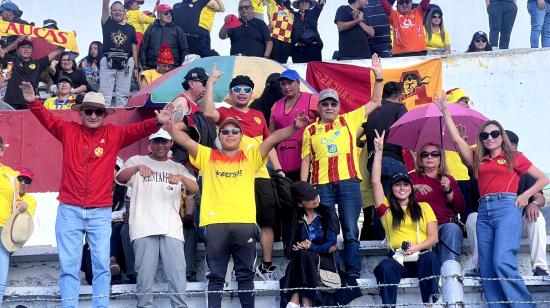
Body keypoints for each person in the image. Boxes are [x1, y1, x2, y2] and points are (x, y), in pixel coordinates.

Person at [21, 80, 173, 307]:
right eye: (89, 111)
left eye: (98, 112)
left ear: (105, 115)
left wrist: (156, 123)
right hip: (69, 210)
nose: (93, 115)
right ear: (81, 113)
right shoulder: (67, 130)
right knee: (69, 266)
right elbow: (47, 119)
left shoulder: (115, 134)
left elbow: (138, 129)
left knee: (102, 265)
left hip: (100, 212)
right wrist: (34, 102)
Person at [166, 110, 309, 308]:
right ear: (219, 136)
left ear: (242, 137)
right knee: (215, 277)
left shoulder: (250, 156)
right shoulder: (208, 155)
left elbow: (273, 138)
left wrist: (294, 127)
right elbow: (186, 141)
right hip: (215, 225)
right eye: (225, 131)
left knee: (245, 276)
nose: (230, 134)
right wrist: (170, 126)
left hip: (244, 224)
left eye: (235, 131)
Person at [435, 93, 549, 307]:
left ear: (502, 135)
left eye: (494, 133)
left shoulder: (514, 156)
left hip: (507, 207)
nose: (490, 138)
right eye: (485, 135)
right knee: (487, 266)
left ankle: (524, 305)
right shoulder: (480, 160)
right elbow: (459, 141)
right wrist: (445, 112)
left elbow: (542, 178)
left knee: (502, 261)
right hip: (485, 210)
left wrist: (524, 196)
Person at [300, 54, 384, 279]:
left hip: (348, 182)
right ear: (319, 107)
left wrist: (378, 77)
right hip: (321, 185)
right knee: (328, 232)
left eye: (333, 103)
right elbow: (306, 160)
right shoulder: (310, 130)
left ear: (338, 107)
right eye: (325, 103)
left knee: (350, 229)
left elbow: (375, 102)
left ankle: (353, 274)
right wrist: (302, 188)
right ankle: (331, 272)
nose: (329, 107)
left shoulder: (349, 119)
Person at [202, 70, 283, 280]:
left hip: (261, 174)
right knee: (237, 221)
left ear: (251, 93)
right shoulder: (226, 113)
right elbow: (209, 113)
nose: (242, 93)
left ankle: (265, 266)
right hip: (235, 175)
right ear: (231, 92)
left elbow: (270, 144)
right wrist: (211, 83)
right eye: (237, 89)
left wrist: (279, 169)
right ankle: (231, 267)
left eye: (246, 89)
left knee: (267, 221)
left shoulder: (258, 116)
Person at [117, 128, 198, 307]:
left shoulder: (178, 167)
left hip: (172, 229)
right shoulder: (137, 160)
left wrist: (183, 179)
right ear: (150, 143)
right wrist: (137, 168)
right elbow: (121, 178)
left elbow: (195, 189)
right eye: (157, 141)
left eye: (164, 141)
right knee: (144, 279)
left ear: (171, 143)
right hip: (143, 228)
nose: (160, 145)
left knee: (177, 277)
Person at [465, 130, 549, 277]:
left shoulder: (523, 167)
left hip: (519, 220)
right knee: (472, 218)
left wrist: (534, 203)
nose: (511, 150)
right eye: (507, 146)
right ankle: (478, 266)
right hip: (491, 222)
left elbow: (540, 197)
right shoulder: (486, 167)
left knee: (538, 219)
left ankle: (540, 268)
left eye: (514, 146)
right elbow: (468, 161)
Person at [371, 130, 440, 306]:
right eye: (397, 185)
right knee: (384, 267)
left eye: (405, 185)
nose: (401, 188)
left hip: (420, 257)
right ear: (392, 189)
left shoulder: (424, 208)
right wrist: (378, 151)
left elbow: (434, 238)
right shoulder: (386, 210)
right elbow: (376, 182)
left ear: (411, 188)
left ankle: (430, 301)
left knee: (431, 259)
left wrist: (416, 247)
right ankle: (389, 305)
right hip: (398, 259)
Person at [280, 181, 339, 308]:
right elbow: (291, 247)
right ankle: (306, 304)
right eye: (310, 198)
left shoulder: (327, 214)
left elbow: (332, 245)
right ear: (300, 203)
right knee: (302, 254)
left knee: (304, 254)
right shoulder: (295, 219)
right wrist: (298, 247)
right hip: (303, 261)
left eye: (316, 195)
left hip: (323, 260)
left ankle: (295, 299)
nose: (315, 199)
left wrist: (311, 247)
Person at [409, 143, 465, 264]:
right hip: (419, 226)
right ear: (420, 158)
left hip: (443, 225)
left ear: (441, 159)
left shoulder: (448, 179)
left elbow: (460, 207)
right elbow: (397, 195)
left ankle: (449, 272)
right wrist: (415, 187)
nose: (430, 157)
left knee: (453, 229)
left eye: (434, 154)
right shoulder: (411, 177)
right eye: (425, 155)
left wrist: (448, 190)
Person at [269, 69, 318, 181]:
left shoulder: (311, 99)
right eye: (283, 84)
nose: (286, 87)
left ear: (298, 83)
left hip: (307, 160)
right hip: (283, 163)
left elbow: (329, 117)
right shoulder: (276, 106)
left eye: (290, 82)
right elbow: (270, 137)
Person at [0, 162, 38, 303]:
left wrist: (25, 208)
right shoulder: (8, 191)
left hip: (10, 239)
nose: (23, 183)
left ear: (30, 185)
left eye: (27, 181)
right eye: (20, 179)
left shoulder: (31, 201)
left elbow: (24, 227)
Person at [0, 39, 63, 110]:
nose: (26, 49)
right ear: (17, 51)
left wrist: (70, 39)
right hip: (11, 103)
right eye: (23, 47)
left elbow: (58, 51)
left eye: (29, 48)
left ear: (32, 51)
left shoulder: (39, 63)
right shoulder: (12, 60)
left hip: (30, 103)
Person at [100, 0, 139, 107]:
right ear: (111, 13)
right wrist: (105, 3)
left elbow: (134, 48)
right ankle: (103, 119)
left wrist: (136, 67)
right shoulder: (107, 23)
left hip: (126, 62)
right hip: (108, 60)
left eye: (120, 10)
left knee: (123, 95)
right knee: (105, 95)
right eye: (115, 10)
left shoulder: (131, 28)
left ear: (125, 12)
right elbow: (105, 5)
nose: (118, 12)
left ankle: (121, 120)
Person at [140, 3, 189, 71]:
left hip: (172, 69)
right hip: (152, 68)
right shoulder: (151, 28)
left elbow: (184, 49)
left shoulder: (178, 30)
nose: (169, 15)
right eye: (166, 13)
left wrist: (181, 67)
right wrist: (144, 65)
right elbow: (143, 48)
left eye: (170, 13)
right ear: (159, 15)